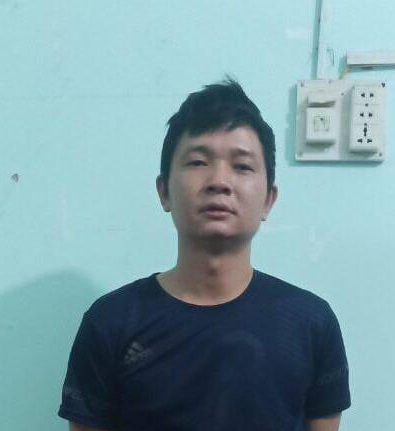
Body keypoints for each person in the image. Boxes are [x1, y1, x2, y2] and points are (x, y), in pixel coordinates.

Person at [58, 76, 351, 431]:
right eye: (198, 162)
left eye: (242, 166)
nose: (219, 182)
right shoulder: (110, 323)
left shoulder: (311, 325)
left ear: (268, 200)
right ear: (164, 191)